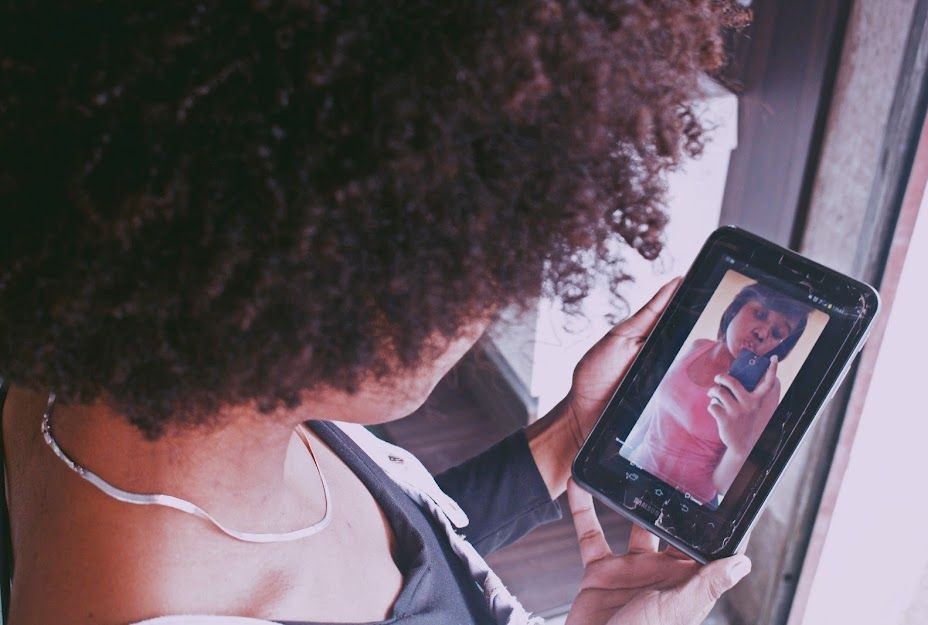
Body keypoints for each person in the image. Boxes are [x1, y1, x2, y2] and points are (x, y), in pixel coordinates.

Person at [0, 2, 752, 624]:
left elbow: (392, 561)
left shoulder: (134, 364)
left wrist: (566, 442)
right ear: (335, 267)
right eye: (477, 257)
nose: (493, 303)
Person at [624, 282, 812, 504]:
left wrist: (738, 447)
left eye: (777, 333)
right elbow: (653, 414)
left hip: (683, 503)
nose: (762, 333)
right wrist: (621, 454)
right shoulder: (697, 347)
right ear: (735, 309)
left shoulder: (766, 389)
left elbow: (723, 486)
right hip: (633, 472)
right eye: (760, 314)